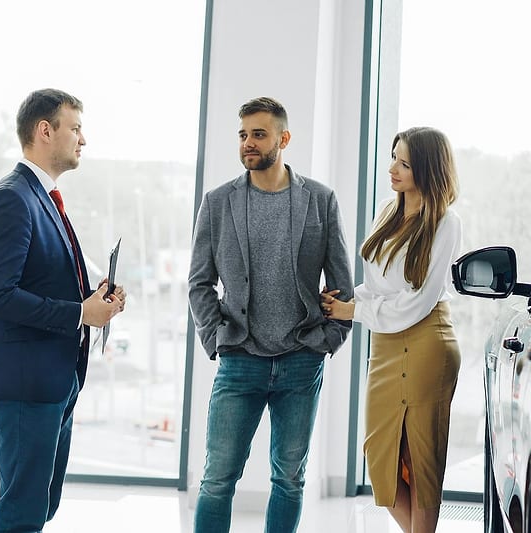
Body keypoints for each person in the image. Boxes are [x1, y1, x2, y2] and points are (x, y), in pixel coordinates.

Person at [188, 96, 354, 533]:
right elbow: (199, 282)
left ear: (284, 138)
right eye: (243, 135)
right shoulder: (218, 202)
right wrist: (216, 337)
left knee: (289, 478)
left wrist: (329, 339)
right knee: (217, 479)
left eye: (258, 134)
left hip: (301, 359)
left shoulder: (319, 200)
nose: (248, 143)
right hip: (240, 359)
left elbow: (342, 282)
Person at [0, 88, 125, 533]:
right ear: (45, 130)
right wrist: (80, 315)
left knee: (39, 508)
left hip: (53, 380)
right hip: (25, 385)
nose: (83, 139)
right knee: (21, 514)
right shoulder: (11, 200)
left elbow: (42, 280)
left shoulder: (42, 197)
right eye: (75, 128)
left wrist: (96, 300)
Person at [321, 126, 461, 533]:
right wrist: (346, 302)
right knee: (379, 454)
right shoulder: (388, 209)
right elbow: (380, 286)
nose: (393, 169)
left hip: (427, 343)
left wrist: (354, 312)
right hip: (385, 345)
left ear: (430, 170)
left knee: (421, 461)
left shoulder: (446, 223)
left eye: (405, 163)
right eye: (393, 158)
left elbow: (418, 300)